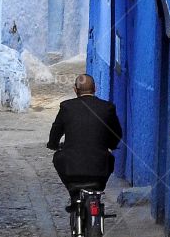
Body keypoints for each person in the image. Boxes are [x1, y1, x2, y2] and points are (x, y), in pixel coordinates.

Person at [47, 74, 123, 203]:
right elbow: (117, 133)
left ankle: (73, 192)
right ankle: (98, 191)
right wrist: (110, 145)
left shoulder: (66, 107)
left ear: (75, 90)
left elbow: (56, 131)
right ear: (95, 88)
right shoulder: (107, 108)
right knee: (110, 159)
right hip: (99, 167)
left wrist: (53, 144)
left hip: (72, 168)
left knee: (57, 158)